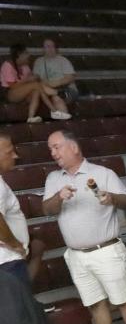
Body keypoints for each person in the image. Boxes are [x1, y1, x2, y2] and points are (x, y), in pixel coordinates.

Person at [42, 130, 126, 324]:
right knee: (94, 302)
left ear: (74, 147)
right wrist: (59, 197)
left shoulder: (103, 173)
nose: (53, 153)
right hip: (77, 255)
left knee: (123, 299)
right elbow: (47, 210)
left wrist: (111, 197)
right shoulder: (53, 179)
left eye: (57, 147)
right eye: (50, 149)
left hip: (106, 250)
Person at [1, 44, 71, 125]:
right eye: (26, 53)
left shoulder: (25, 66)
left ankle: (31, 117)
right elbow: (12, 86)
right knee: (35, 85)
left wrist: (34, 78)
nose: (29, 55)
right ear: (19, 55)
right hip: (10, 94)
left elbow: (31, 82)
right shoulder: (7, 65)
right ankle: (54, 109)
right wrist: (28, 80)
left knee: (36, 90)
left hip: (24, 94)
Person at [0, 134, 29, 286]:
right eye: (9, 152)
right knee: (19, 309)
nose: (15, 155)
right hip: (7, 262)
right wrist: (17, 245)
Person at [32, 38, 79, 103]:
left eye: (52, 46)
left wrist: (56, 83)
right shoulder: (38, 61)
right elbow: (36, 77)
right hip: (48, 89)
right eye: (48, 46)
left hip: (66, 89)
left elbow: (70, 78)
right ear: (43, 49)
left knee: (56, 98)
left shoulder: (63, 60)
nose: (50, 49)